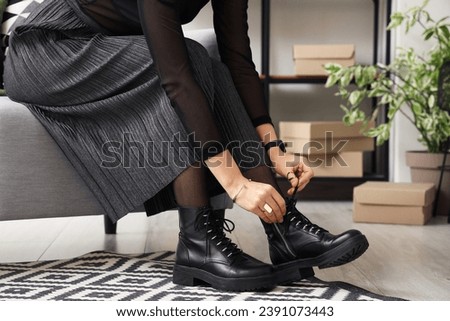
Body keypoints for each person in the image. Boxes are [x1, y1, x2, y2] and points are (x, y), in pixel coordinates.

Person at [4, 0, 369, 292]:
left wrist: (275, 149)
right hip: (45, 51)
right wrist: (237, 184)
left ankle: (283, 225)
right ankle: (199, 242)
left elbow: (238, 60)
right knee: (190, 61)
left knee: (210, 64)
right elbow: (176, 78)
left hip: (106, 47)